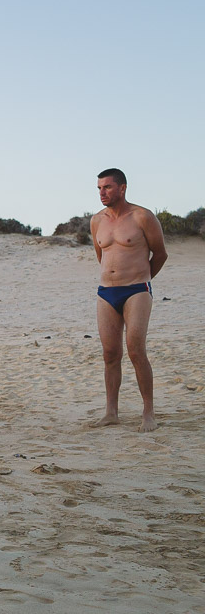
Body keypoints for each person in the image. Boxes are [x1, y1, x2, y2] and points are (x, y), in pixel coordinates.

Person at [90, 168, 168, 432]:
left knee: (136, 351)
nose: (102, 192)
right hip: (106, 292)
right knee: (110, 354)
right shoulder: (96, 220)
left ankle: (148, 413)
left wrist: (142, 280)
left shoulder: (143, 217)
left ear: (122, 188)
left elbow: (160, 254)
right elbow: (101, 255)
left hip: (136, 290)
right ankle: (111, 412)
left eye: (108, 187)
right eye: (99, 188)